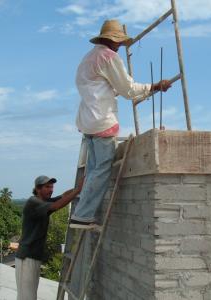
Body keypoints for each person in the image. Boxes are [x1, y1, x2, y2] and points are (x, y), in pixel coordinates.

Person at [70, 19, 172, 229]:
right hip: (101, 120)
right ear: (112, 40)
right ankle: (83, 215)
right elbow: (128, 90)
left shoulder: (88, 57)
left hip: (88, 121)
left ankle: (81, 214)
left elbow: (103, 87)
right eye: (118, 41)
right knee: (102, 169)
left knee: (93, 170)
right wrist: (154, 86)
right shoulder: (108, 57)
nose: (119, 45)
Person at [15, 175, 82, 300]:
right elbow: (56, 206)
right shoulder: (33, 203)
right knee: (26, 297)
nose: (51, 190)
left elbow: (62, 196)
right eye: (47, 187)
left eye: (52, 187)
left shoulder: (43, 202)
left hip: (34, 257)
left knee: (30, 296)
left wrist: (78, 188)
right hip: (26, 258)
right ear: (38, 189)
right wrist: (78, 190)